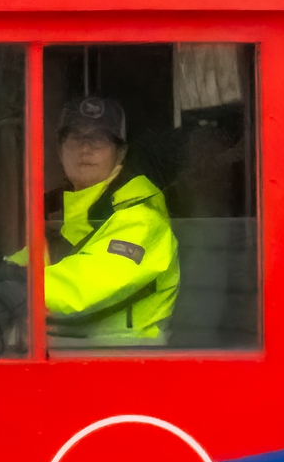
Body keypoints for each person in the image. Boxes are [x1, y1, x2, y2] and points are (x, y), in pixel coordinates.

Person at [16, 96, 179, 345]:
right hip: (65, 350)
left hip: (129, 356)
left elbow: (83, 284)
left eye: (99, 138)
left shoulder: (143, 219)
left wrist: (12, 286)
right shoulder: (65, 216)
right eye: (75, 137)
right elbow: (26, 264)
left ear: (120, 153)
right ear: (59, 150)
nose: (85, 148)